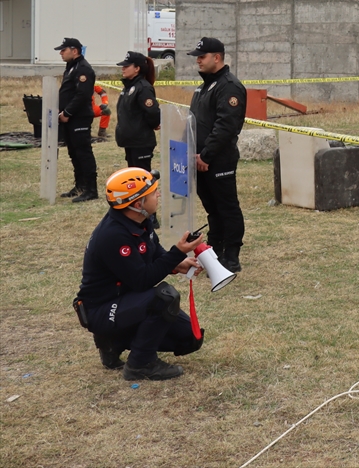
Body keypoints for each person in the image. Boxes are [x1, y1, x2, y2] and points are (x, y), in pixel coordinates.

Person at [74, 167, 205, 380]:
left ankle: (114, 341)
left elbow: (154, 252)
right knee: (164, 298)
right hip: (102, 309)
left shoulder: (140, 220)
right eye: (153, 193)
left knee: (190, 338)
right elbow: (142, 281)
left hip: (126, 301)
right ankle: (140, 364)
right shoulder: (114, 235)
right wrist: (176, 254)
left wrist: (177, 263)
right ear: (138, 205)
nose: (158, 195)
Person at [187, 37, 247, 272]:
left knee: (227, 207)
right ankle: (216, 251)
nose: (198, 61)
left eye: (202, 57)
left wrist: (206, 155)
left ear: (217, 57)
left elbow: (226, 126)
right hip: (199, 160)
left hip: (217, 160)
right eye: (197, 57)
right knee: (213, 209)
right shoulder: (204, 87)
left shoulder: (228, 86)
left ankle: (231, 257)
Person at [56, 37, 98, 201]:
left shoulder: (83, 69)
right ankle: (80, 185)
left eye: (63, 50)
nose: (61, 53)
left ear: (75, 51)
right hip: (70, 118)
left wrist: (67, 112)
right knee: (74, 152)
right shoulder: (72, 67)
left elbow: (83, 95)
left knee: (83, 152)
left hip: (78, 117)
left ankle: (91, 189)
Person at [115, 51, 160, 171]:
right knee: (134, 177)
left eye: (126, 66)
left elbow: (152, 111)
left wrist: (154, 124)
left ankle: (152, 191)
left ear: (137, 69)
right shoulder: (128, 87)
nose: (123, 69)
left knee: (142, 177)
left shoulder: (143, 87)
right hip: (131, 141)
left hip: (141, 142)